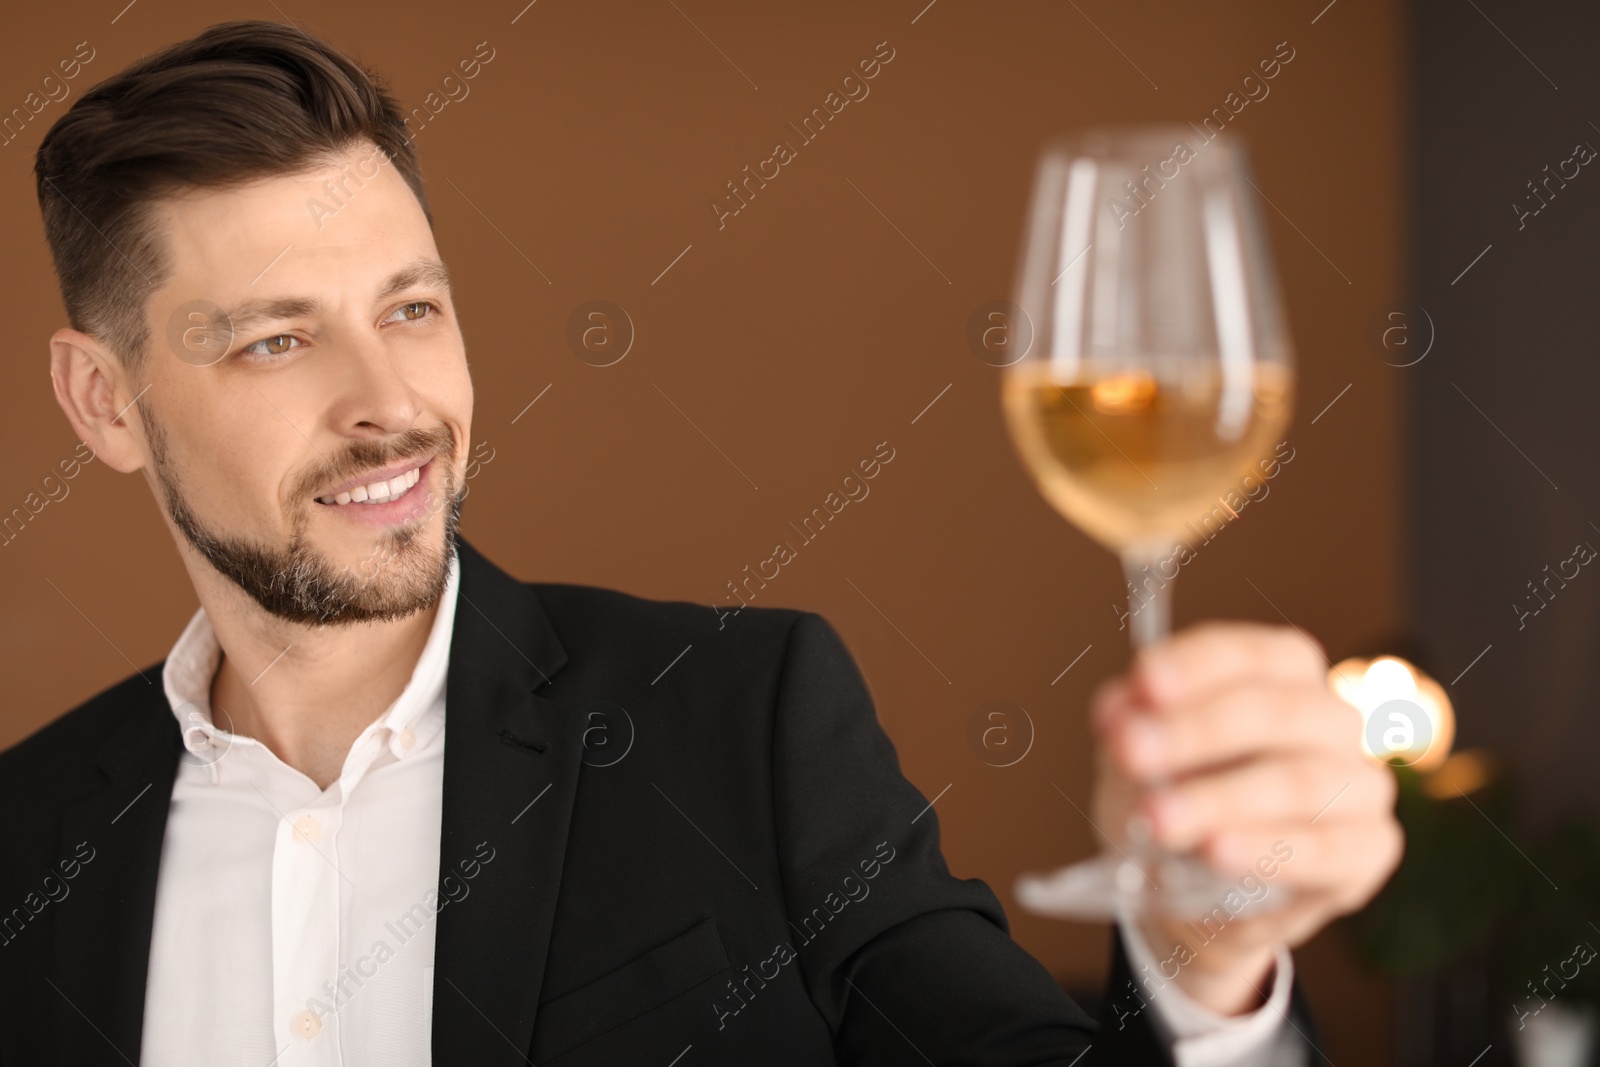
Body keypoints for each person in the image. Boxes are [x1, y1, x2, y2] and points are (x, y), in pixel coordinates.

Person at [0, 20, 1401, 1066]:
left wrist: (1209, 971)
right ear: (104, 400)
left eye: (413, 309)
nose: (391, 407)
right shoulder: (27, 846)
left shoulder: (740, 723)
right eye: (278, 338)